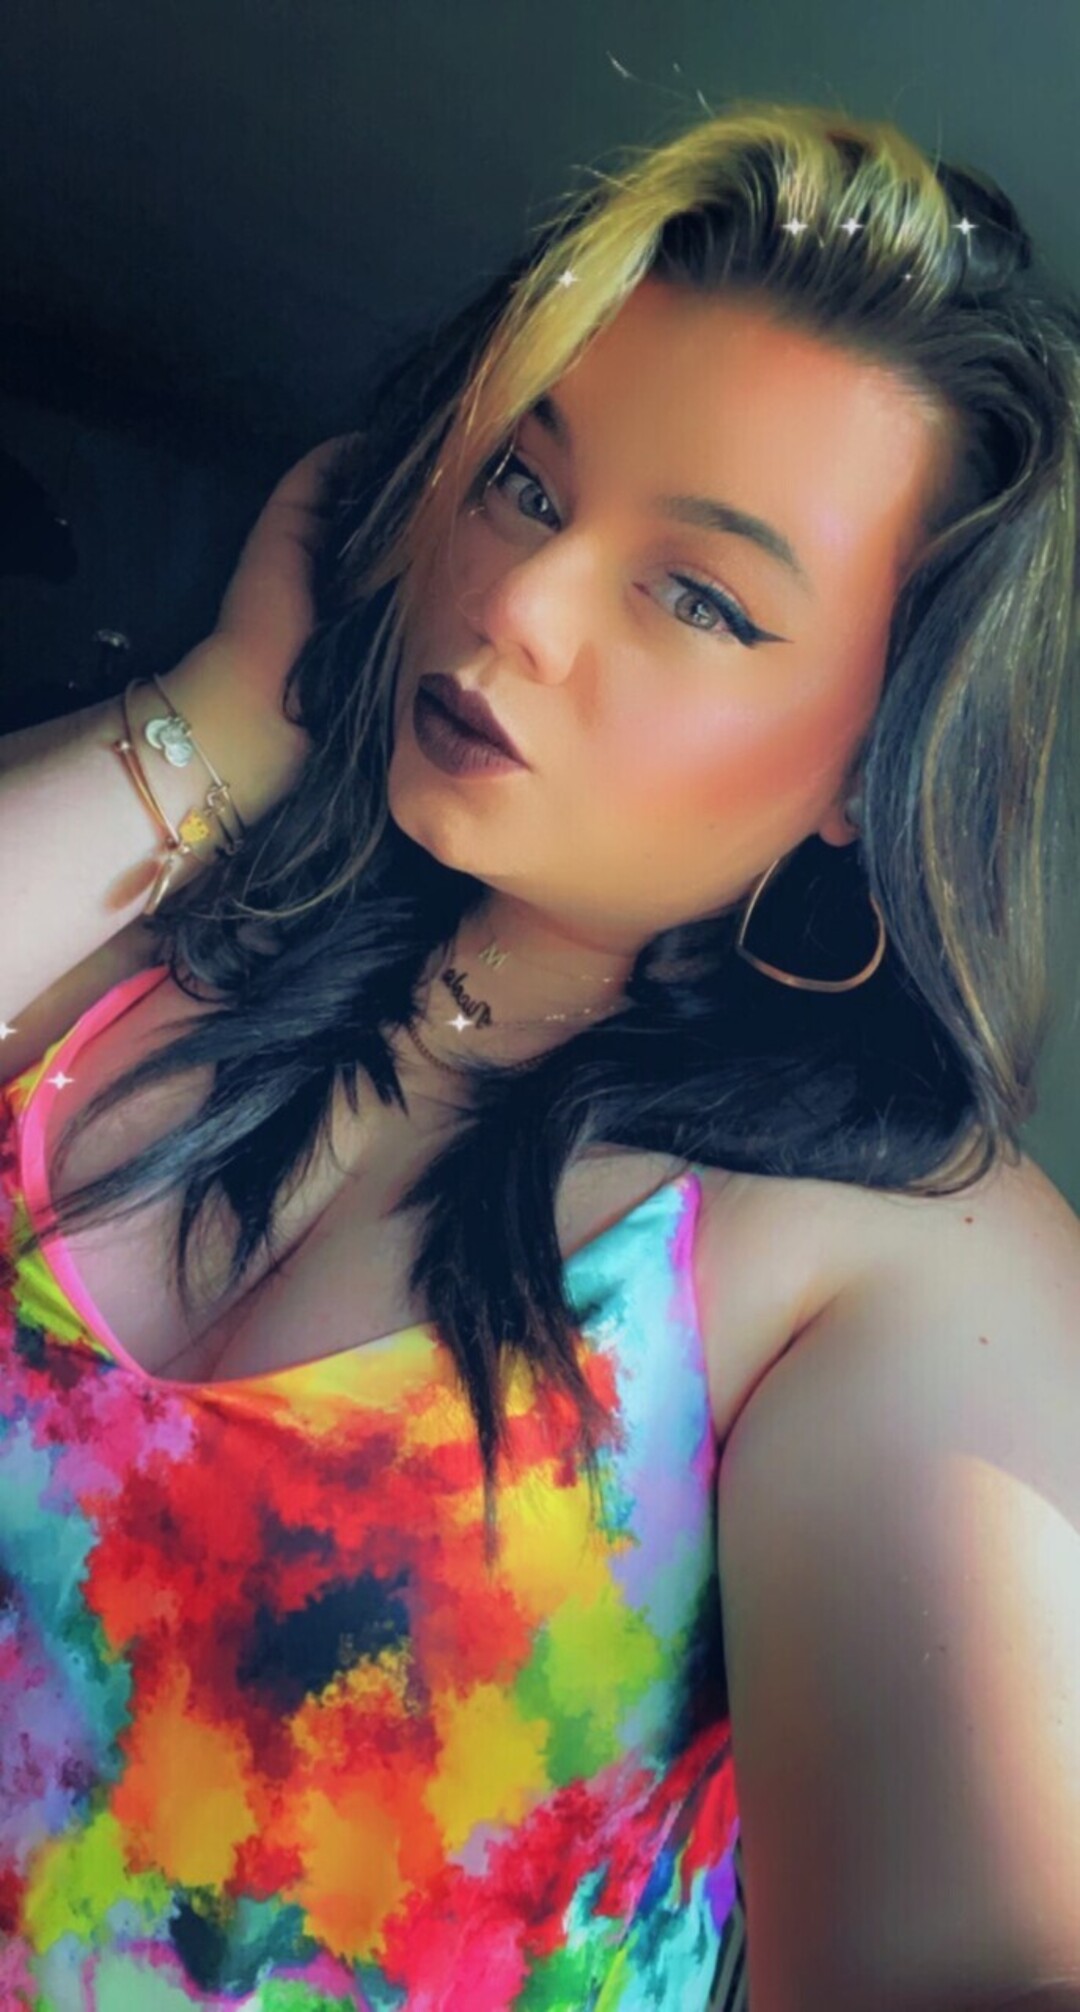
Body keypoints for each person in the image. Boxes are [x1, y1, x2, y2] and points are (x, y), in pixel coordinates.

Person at [1, 97, 1079, 2012]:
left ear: (877, 762)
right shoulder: (153, 922)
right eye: (524, 483)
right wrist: (226, 720)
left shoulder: (891, 1265)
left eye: (701, 596)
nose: (518, 605)